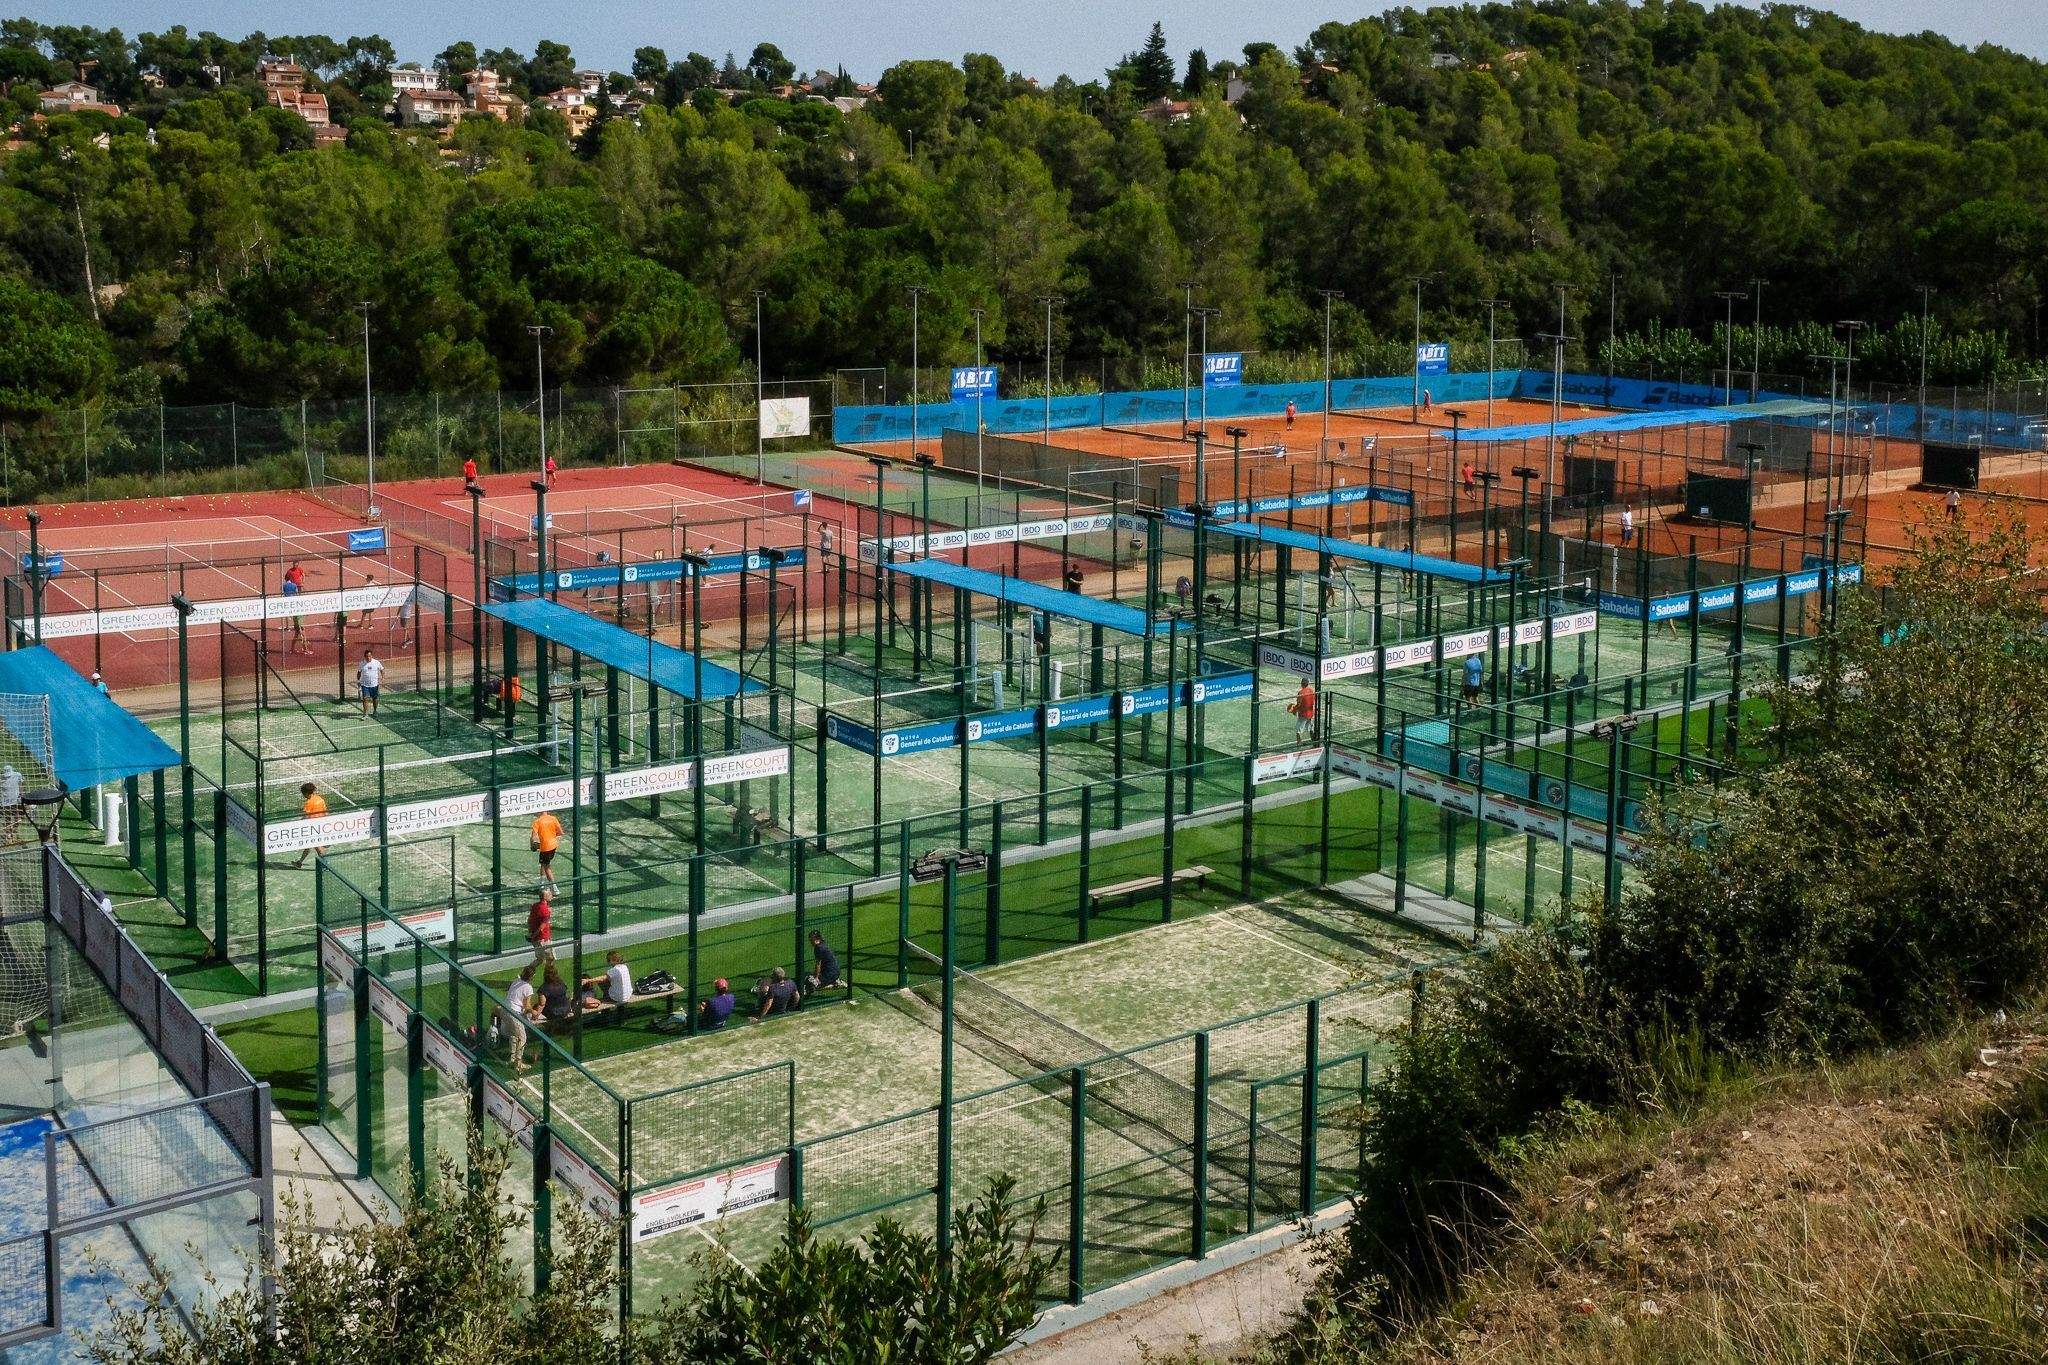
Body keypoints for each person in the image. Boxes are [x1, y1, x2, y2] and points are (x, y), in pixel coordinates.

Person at [501, 965, 537, 1073]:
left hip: (505, 1010)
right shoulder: (528, 987)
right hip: (514, 1013)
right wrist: (533, 1012)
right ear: (532, 976)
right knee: (522, 1038)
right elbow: (526, 1005)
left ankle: (512, 1059)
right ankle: (518, 1063)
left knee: (513, 1035)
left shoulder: (516, 981)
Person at [291, 782, 327, 868]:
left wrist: (298, 824)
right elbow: (325, 811)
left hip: (312, 827)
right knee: (308, 845)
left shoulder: (309, 802)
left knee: (318, 847)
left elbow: (306, 816)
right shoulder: (320, 799)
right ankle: (299, 862)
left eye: (303, 794)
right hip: (321, 824)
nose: (303, 796)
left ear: (306, 793)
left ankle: (326, 865)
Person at [530, 807, 563, 887]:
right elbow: (560, 832)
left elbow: (534, 837)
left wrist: (532, 844)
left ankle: (554, 888)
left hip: (545, 847)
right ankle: (542, 883)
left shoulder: (537, 822)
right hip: (553, 846)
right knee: (543, 864)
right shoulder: (553, 818)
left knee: (547, 867)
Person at [525, 885, 554, 968]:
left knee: (540, 959)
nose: (552, 895)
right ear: (545, 897)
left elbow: (530, 920)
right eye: (550, 894)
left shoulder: (535, 906)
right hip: (542, 939)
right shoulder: (545, 910)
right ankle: (550, 976)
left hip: (536, 938)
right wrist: (534, 936)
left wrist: (531, 934)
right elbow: (541, 927)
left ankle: (526, 974)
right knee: (550, 959)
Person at [356, 647, 384, 717]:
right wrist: (358, 681)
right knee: (365, 699)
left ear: (372, 656)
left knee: (375, 698)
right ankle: (365, 713)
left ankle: (375, 711)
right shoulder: (362, 663)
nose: (368, 658)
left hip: (374, 685)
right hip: (365, 685)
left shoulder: (376, 662)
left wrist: (383, 678)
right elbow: (359, 672)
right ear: (364, 657)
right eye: (367, 656)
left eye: (370, 656)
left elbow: (382, 670)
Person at [1289, 679, 1317, 744]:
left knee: (1298, 730)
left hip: (1303, 714)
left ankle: (1299, 744)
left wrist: (1294, 710)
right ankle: (1314, 742)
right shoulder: (1311, 691)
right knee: (1310, 728)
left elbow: (1299, 704)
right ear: (1308, 683)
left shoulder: (1301, 692)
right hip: (1310, 713)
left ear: (1302, 683)